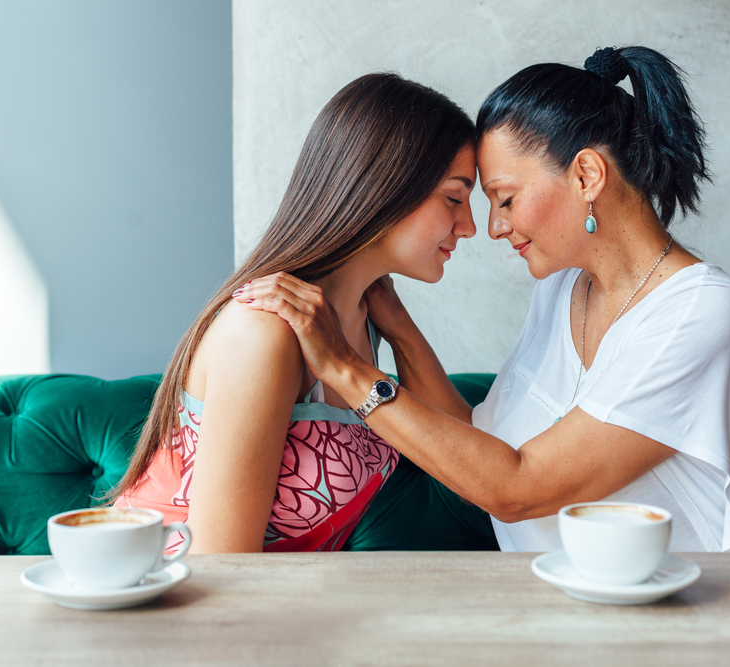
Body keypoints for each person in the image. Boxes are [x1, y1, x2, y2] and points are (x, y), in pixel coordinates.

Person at [238, 46, 730, 552]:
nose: (492, 226)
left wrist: (345, 368)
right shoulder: (562, 289)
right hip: (579, 605)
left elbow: (517, 488)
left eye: (503, 198)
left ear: (586, 174)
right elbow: (483, 447)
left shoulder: (704, 314)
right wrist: (397, 323)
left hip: (712, 608)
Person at [107, 73, 481, 553]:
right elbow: (221, 566)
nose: (470, 226)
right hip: (172, 609)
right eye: (454, 197)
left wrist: (400, 327)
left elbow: (472, 466)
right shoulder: (266, 329)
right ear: (386, 183)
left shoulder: (366, 318)